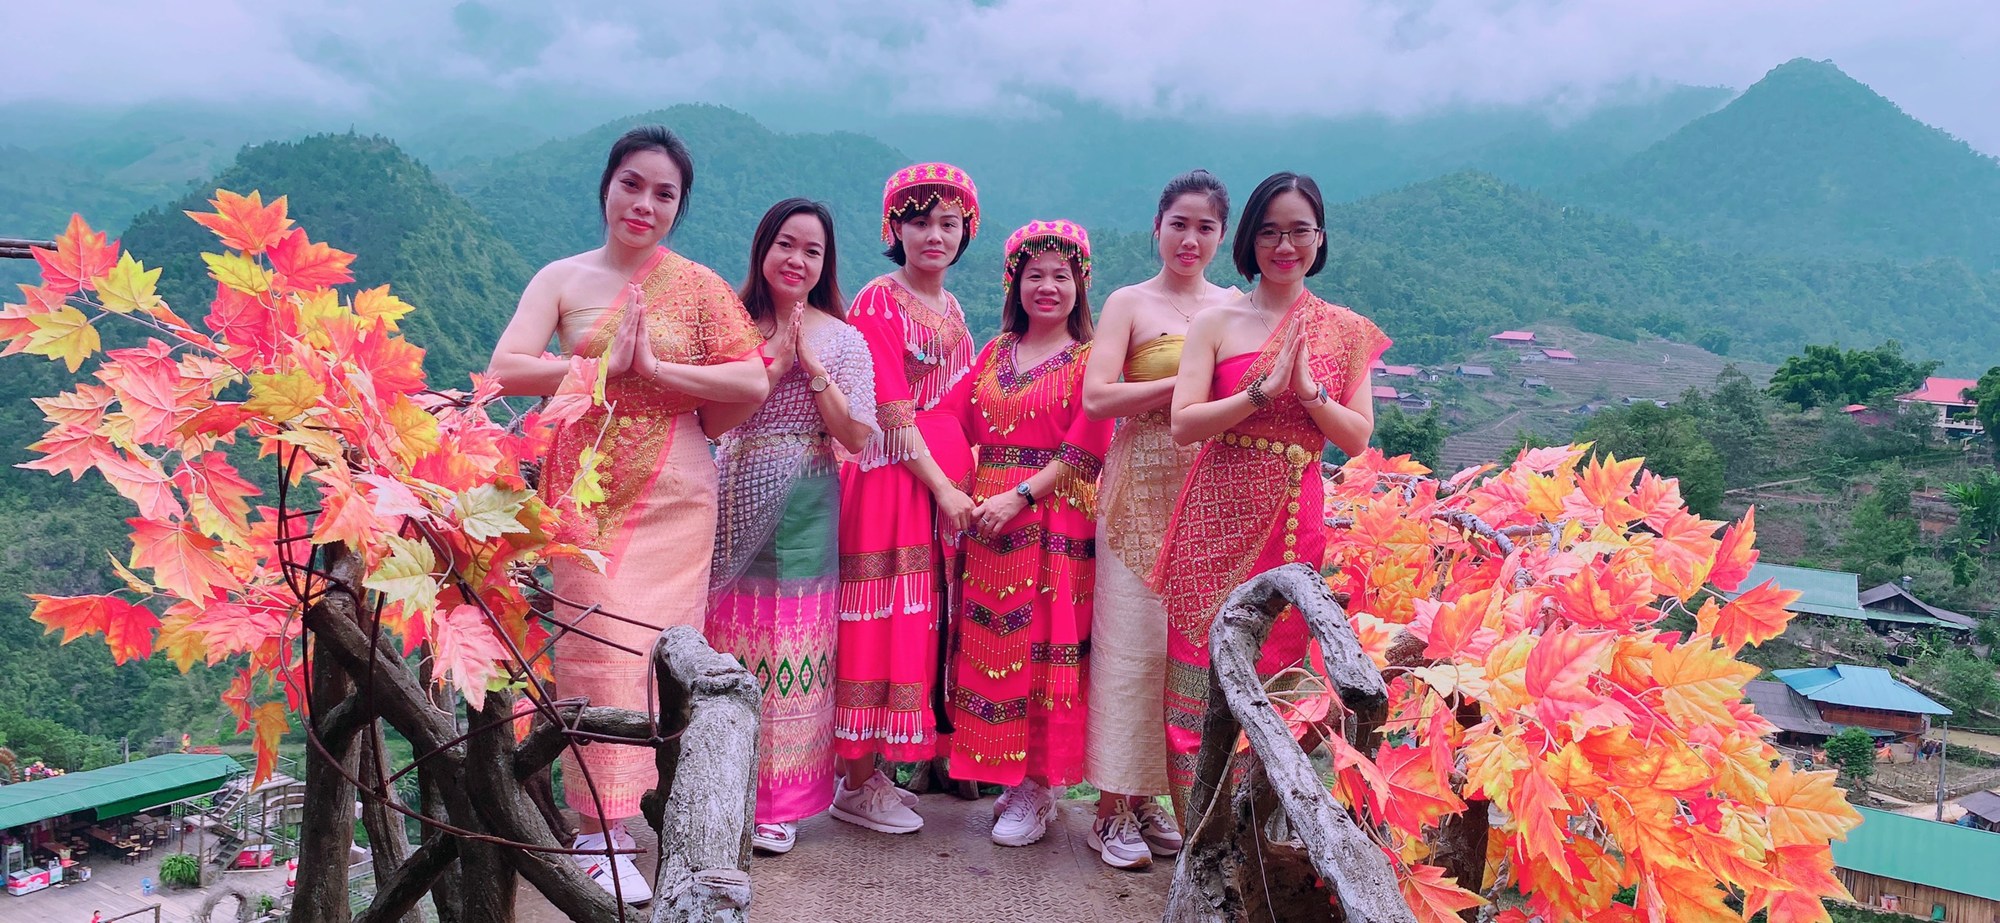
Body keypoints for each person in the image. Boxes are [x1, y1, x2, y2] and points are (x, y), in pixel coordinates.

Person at [486, 125, 768, 904]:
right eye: (632, 184)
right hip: (587, 486)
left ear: (679, 207)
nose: (645, 203)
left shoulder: (699, 286)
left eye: (664, 193)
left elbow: (749, 380)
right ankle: (596, 831)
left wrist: (653, 367)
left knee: (660, 653)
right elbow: (506, 368)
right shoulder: (562, 278)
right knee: (597, 648)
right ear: (607, 186)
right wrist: (599, 366)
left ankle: (655, 807)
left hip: (679, 488)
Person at [1150, 171, 1389, 822]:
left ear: (1320, 238)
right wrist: (1260, 394)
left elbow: (1357, 437)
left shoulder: (1345, 331)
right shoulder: (1217, 322)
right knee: (1197, 677)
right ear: (1249, 240)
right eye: (1270, 232)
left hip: (1292, 518)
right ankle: (1198, 841)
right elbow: (1184, 423)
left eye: (1299, 231)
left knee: (1276, 679)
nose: (1285, 246)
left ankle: (1253, 841)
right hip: (1214, 513)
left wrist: (1310, 394)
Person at [707, 199, 879, 856]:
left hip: (807, 496)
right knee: (724, 636)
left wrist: (812, 367)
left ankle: (778, 803)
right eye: (786, 243)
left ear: (825, 263)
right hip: (732, 487)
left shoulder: (845, 339)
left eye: (812, 250)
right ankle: (719, 785)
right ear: (763, 248)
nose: (797, 260)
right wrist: (772, 362)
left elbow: (856, 435)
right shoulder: (728, 324)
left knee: (794, 647)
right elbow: (710, 423)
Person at [939, 220, 1111, 847]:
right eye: (1034, 274)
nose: (1047, 286)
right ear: (1015, 283)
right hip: (989, 526)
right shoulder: (994, 352)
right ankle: (1011, 781)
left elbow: (1087, 447)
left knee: (1044, 647)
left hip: (1053, 518)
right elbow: (950, 419)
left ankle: (1038, 787)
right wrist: (945, 483)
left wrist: (1021, 495)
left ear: (1080, 285)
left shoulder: (1091, 359)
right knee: (992, 649)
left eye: (1061, 275)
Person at [1077, 170, 1232, 868]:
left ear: (1222, 236)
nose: (1190, 239)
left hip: (1209, 493)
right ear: (1157, 227)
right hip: (1138, 490)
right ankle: (1109, 809)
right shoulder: (1130, 303)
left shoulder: (1235, 306)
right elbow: (1098, 397)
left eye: (1205, 227)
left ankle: (1151, 800)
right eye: (1179, 224)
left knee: (1187, 656)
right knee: (1129, 645)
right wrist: (1186, 382)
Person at [831, 163, 981, 834]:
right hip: (894, 479)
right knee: (880, 616)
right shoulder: (878, 301)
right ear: (895, 228)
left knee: (922, 622)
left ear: (965, 232)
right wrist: (944, 486)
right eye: (919, 221)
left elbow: (964, 402)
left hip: (939, 483)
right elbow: (891, 410)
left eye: (948, 223)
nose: (934, 235)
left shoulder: (952, 309)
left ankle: (887, 769)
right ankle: (856, 780)